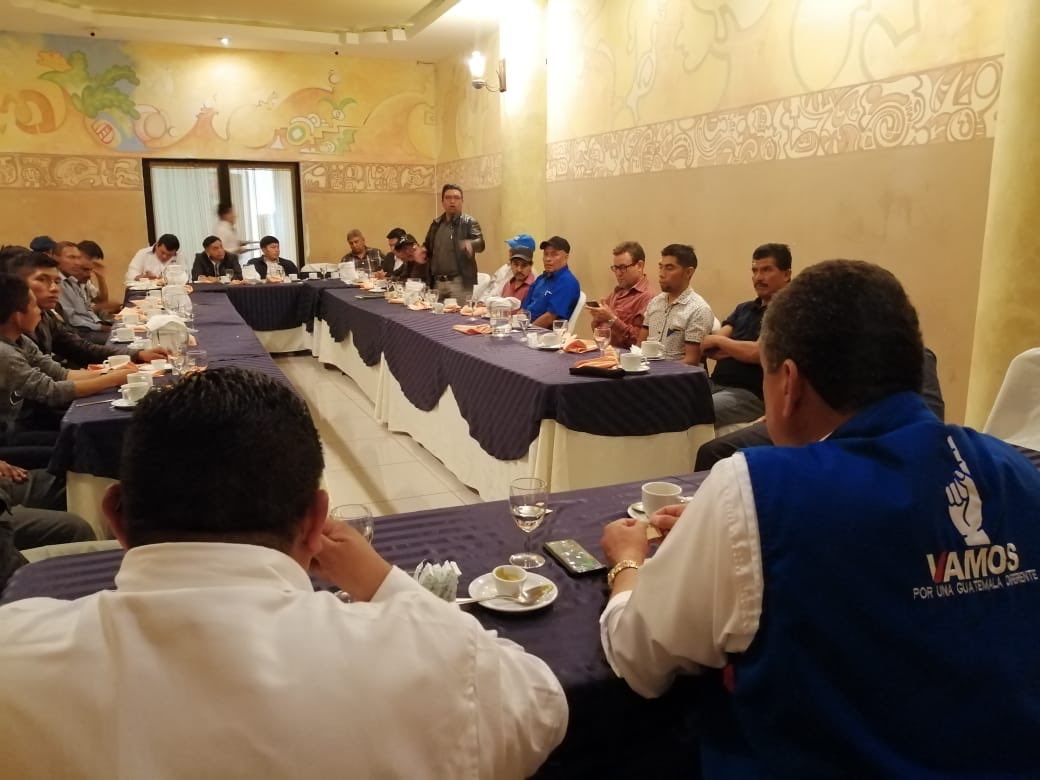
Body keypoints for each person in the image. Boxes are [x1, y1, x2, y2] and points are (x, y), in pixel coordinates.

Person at [0, 367, 568, 777]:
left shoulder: (14, 652)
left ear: (116, 518)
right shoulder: (433, 659)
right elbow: (542, 706)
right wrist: (384, 583)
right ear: (317, 520)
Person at [599, 259, 1040, 777]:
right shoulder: (1018, 474)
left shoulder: (756, 488)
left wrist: (626, 565)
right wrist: (734, 532)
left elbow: (640, 658)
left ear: (788, 383)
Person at [693, 346, 947, 471]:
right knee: (715, 451)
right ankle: (704, 519)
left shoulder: (914, 357)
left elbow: (930, 424)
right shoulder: (832, 349)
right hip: (803, 424)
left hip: (853, 442)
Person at [0, 275, 136, 438]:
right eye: (34, 306)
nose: (39, 312)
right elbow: (52, 392)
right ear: (17, 316)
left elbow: (60, 373)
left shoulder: (21, 340)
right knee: (82, 443)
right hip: (10, 434)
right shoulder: (4, 353)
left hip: (22, 424)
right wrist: (112, 379)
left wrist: (114, 372)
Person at [12, 253, 166, 368]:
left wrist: (137, 354)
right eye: (42, 279)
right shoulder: (11, 329)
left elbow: (81, 349)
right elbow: (46, 385)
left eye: (57, 281)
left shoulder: (45, 317)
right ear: (17, 283)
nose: (54, 288)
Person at [701, 243, 792, 428]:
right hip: (714, 383)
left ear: (786, 274)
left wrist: (722, 342)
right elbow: (707, 345)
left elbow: (757, 352)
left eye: (767, 270)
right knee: (668, 401)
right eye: (755, 271)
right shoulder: (744, 309)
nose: (758, 277)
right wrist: (735, 348)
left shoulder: (787, 311)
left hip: (748, 395)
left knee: (694, 410)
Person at [639, 244, 715, 365]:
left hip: (678, 374)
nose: (661, 274)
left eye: (669, 268)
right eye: (661, 267)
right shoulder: (655, 302)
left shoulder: (698, 309)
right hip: (648, 370)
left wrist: (658, 371)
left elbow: (692, 361)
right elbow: (639, 346)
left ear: (688, 272)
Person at [421, 183, 485, 302]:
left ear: (462, 201)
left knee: (458, 313)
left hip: (459, 283)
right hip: (437, 282)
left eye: (456, 198)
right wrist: (422, 250)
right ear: (442, 202)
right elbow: (427, 244)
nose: (452, 201)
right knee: (433, 313)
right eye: (448, 198)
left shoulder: (469, 222)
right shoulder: (436, 224)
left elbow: (481, 243)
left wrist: (471, 244)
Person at [588, 241, 655, 348]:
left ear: (639, 265)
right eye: (615, 268)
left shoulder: (648, 297)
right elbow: (600, 335)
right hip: (608, 351)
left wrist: (612, 319)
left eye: (623, 267)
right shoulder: (617, 292)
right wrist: (598, 319)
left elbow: (638, 342)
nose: (618, 273)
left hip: (628, 356)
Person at [54, 241, 110, 344]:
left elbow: (87, 310)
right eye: (71, 257)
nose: (77, 263)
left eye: (78, 258)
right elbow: (72, 320)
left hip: (90, 326)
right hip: (80, 333)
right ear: (56, 258)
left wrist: (101, 324)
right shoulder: (57, 283)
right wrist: (100, 327)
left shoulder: (72, 280)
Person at [525, 236, 582, 329]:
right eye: (546, 254)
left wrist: (526, 332)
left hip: (543, 333)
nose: (548, 259)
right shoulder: (541, 278)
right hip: (525, 328)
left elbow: (549, 317)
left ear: (566, 257)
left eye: (554, 254)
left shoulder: (567, 282)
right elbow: (524, 309)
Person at [76, 240, 120, 316]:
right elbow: (77, 313)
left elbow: (102, 300)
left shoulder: (86, 280)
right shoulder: (68, 281)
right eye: (89, 259)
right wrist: (99, 307)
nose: (92, 265)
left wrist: (101, 277)